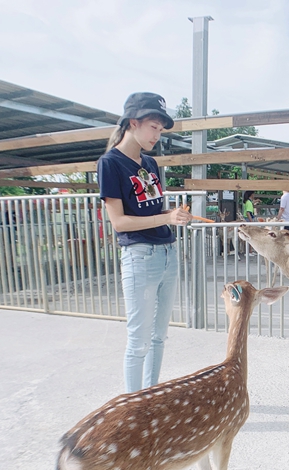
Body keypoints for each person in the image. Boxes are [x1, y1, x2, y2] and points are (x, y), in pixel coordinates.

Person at [97, 92, 192, 393]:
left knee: (158, 337)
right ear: (133, 123)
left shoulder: (150, 163)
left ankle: (149, 400)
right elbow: (120, 222)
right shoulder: (110, 163)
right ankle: (131, 410)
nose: (158, 135)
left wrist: (173, 215)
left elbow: (152, 211)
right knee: (138, 342)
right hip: (139, 256)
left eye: (161, 129)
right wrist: (165, 219)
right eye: (154, 126)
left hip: (167, 254)